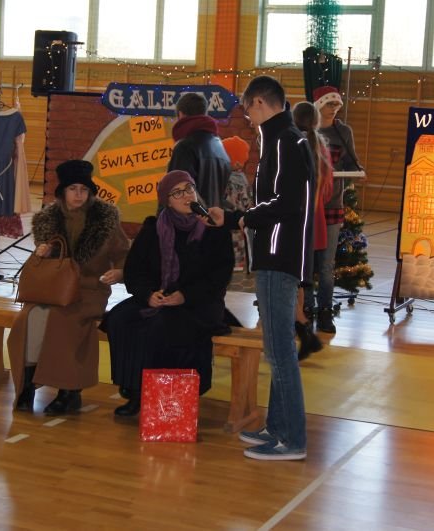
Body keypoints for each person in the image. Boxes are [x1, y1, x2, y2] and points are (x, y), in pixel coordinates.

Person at [208, 75, 316, 461]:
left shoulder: (285, 140)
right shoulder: (283, 138)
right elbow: (279, 201)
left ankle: (292, 440)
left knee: (280, 350)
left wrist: (242, 217)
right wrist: (236, 217)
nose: (246, 117)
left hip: (278, 254)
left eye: (246, 109)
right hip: (277, 252)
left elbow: (287, 203)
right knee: (277, 347)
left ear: (258, 102)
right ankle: (278, 427)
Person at [101, 170, 234, 417]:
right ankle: (133, 389)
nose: (186, 196)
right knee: (119, 318)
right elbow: (134, 270)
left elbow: (218, 277)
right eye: (177, 192)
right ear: (167, 201)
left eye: (189, 189)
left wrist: (185, 295)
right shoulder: (153, 228)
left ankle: (165, 400)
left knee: (163, 326)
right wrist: (147, 295)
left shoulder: (213, 228)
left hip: (198, 302)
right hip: (158, 296)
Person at [7, 159, 129, 415]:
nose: (79, 194)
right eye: (73, 189)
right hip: (54, 289)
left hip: (89, 290)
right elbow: (46, 268)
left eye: (84, 189)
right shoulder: (48, 220)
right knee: (28, 319)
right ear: (63, 192)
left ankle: (70, 391)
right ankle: (28, 385)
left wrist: (120, 272)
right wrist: (42, 252)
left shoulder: (105, 220)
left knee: (63, 320)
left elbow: (123, 254)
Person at [311, 86, 362, 334]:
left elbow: (352, 162)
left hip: (332, 204)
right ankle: (305, 309)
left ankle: (324, 312)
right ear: (318, 105)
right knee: (306, 262)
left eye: (337, 105)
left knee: (326, 264)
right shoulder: (306, 129)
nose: (333, 109)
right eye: (329, 105)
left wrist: (356, 171)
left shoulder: (343, 132)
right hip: (309, 206)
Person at [292, 101, 333, 358]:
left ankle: (303, 328)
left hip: (292, 222)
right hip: (313, 220)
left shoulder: (292, 145)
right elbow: (327, 191)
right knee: (302, 277)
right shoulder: (320, 148)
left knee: (291, 279)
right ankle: (306, 330)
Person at [167, 93, 231, 207]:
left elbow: (175, 192)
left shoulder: (185, 147)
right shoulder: (220, 148)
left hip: (190, 217)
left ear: (180, 114)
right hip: (215, 216)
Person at [221, 135, 253, 271]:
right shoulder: (239, 178)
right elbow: (247, 202)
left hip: (230, 224)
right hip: (238, 224)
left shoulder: (229, 179)